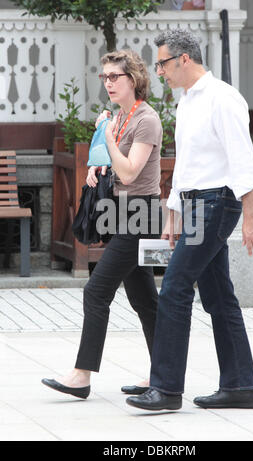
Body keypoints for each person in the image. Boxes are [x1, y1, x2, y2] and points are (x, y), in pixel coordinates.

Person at [126, 29, 253, 412]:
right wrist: (172, 214)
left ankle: (166, 389)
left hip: (219, 202)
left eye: (163, 64)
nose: (161, 72)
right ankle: (240, 386)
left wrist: (251, 218)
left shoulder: (223, 98)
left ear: (185, 59)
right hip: (195, 204)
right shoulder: (185, 101)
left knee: (174, 286)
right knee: (219, 297)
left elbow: (242, 161)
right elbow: (186, 164)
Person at [42, 49, 162, 399]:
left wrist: (108, 138)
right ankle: (163, 372)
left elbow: (130, 171)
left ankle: (81, 376)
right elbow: (115, 166)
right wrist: (99, 164)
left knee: (96, 290)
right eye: (105, 77)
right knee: (145, 301)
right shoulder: (122, 117)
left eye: (115, 77)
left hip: (140, 215)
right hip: (122, 212)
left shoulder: (146, 120)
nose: (108, 83)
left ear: (134, 79)